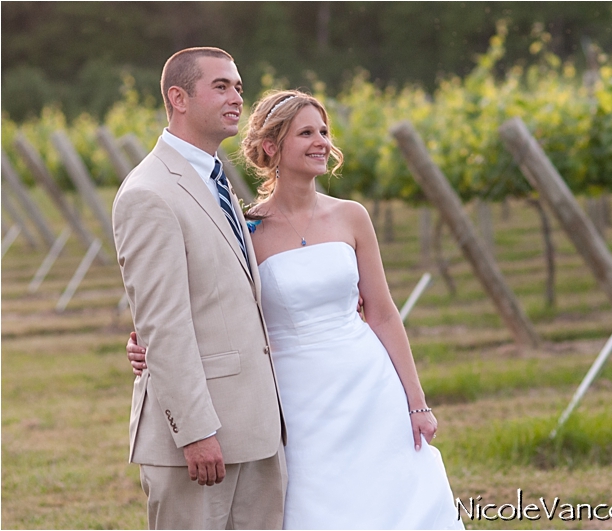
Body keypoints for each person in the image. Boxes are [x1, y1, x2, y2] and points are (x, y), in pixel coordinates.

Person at [128, 89, 464, 529]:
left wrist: (416, 403)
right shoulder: (247, 229)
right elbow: (209, 304)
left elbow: (383, 313)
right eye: (306, 133)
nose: (321, 141)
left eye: (323, 132)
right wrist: (147, 346)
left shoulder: (352, 217)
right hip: (294, 396)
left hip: (369, 385)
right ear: (271, 147)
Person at [113, 47, 286, 529]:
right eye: (221, 86)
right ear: (178, 98)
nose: (237, 98)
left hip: (256, 428)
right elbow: (163, 324)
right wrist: (194, 432)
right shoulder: (149, 192)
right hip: (201, 438)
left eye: (239, 87)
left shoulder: (216, 179)